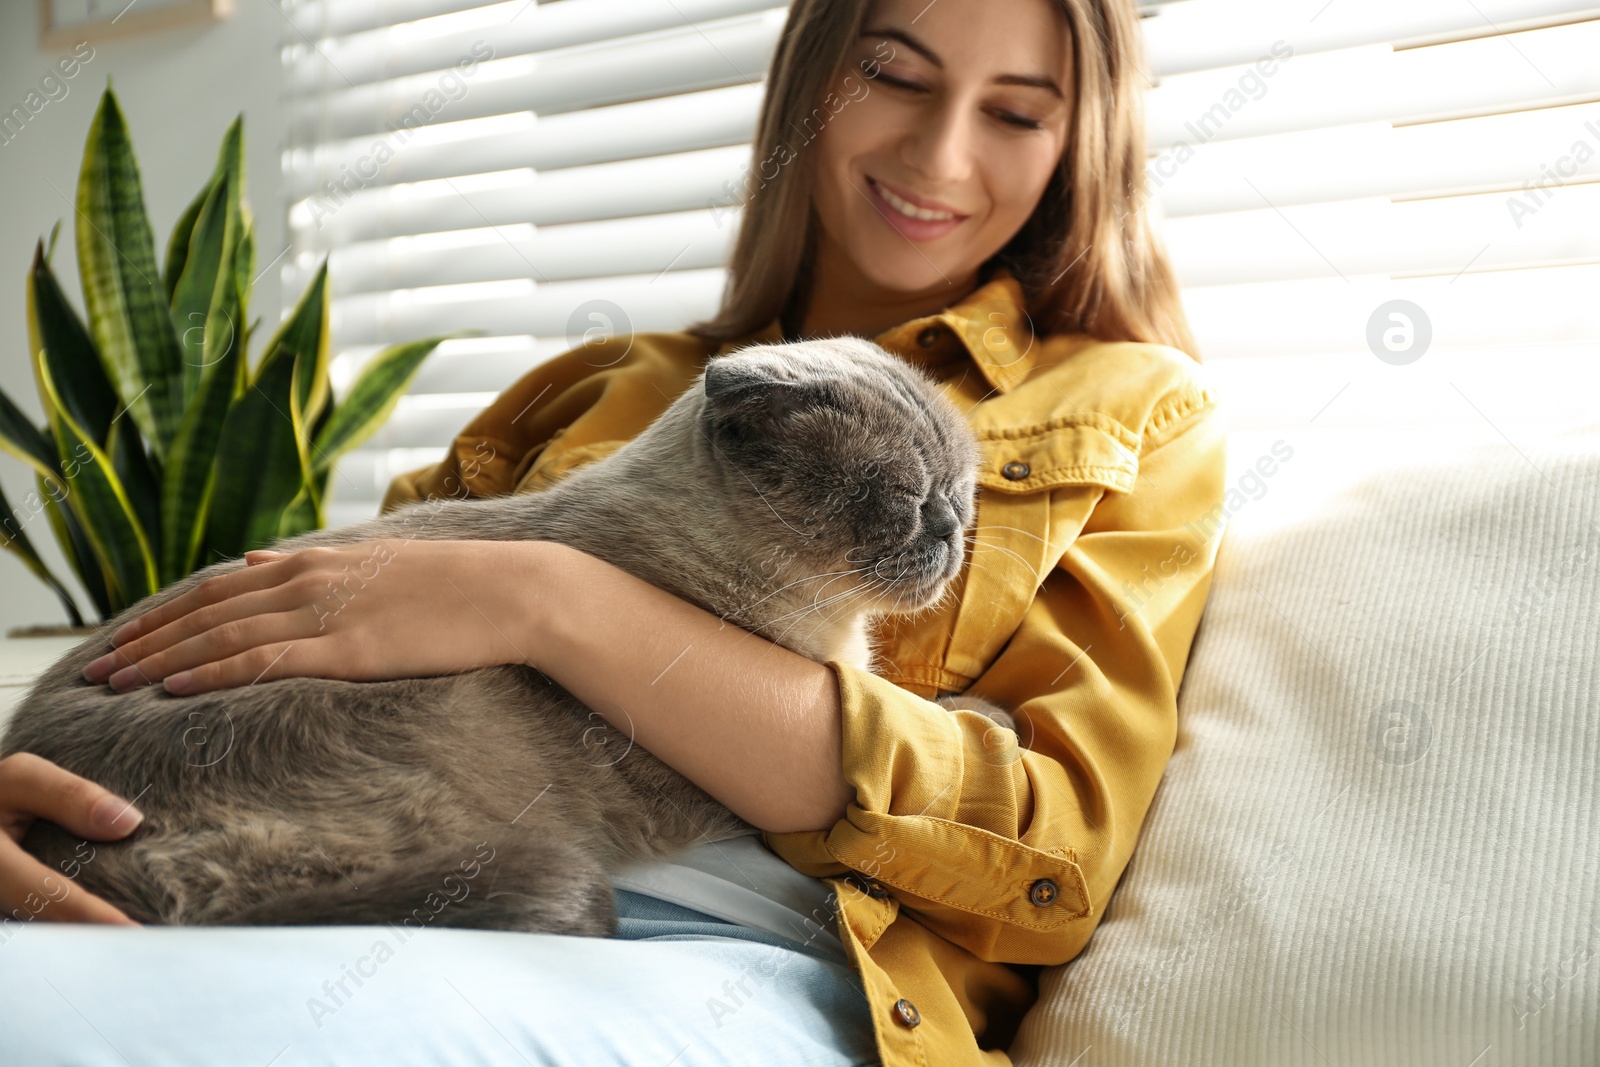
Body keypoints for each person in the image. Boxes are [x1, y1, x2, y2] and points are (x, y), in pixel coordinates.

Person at [0, 0, 1229, 1064]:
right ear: (812, 79)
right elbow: (312, 653)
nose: (940, 150)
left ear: (1081, 142)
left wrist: (545, 598)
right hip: (353, 896)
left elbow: (1047, 858)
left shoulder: (1128, 405)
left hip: (730, 958)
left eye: (1016, 113)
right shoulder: (596, 387)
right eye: (894, 73)